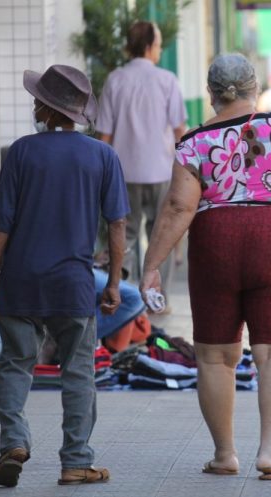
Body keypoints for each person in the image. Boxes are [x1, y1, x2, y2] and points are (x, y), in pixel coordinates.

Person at [139, 54, 271, 480]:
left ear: (210, 93)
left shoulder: (194, 142)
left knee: (215, 355)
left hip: (216, 242)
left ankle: (225, 454)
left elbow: (177, 207)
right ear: (255, 87)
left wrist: (152, 265)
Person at [0, 64, 129, 487]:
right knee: (78, 373)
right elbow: (117, 224)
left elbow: (2, 224)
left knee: (14, 366)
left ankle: (14, 442)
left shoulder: (21, 152)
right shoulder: (103, 155)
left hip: (21, 281)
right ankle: (76, 461)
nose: (32, 105)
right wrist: (114, 282)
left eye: (36, 100)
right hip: (74, 285)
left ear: (47, 109)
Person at [97, 20, 187, 312]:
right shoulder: (167, 80)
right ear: (149, 46)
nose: (160, 50)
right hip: (161, 170)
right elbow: (179, 131)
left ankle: (131, 298)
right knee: (164, 235)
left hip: (123, 174)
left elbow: (105, 136)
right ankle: (159, 300)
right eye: (159, 44)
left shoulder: (115, 79)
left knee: (126, 235)